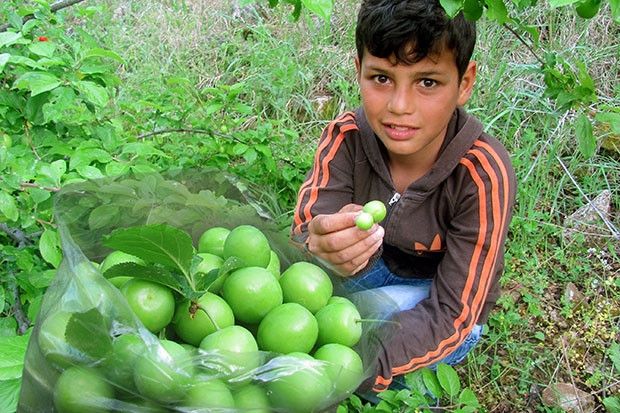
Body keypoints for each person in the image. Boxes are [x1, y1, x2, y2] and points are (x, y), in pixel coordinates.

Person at [290, 0, 517, 400]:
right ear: (358, 70)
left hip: (439, 299)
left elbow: (456, 312)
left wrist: (361, 366)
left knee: (360, 336)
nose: (399, 106)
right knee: (312, 308)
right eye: (381, 78)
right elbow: (308, 234)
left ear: (464, 83)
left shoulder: (481, 172)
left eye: (427, 82)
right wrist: (319, 243)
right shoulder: (347, 137)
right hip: (370, 270)